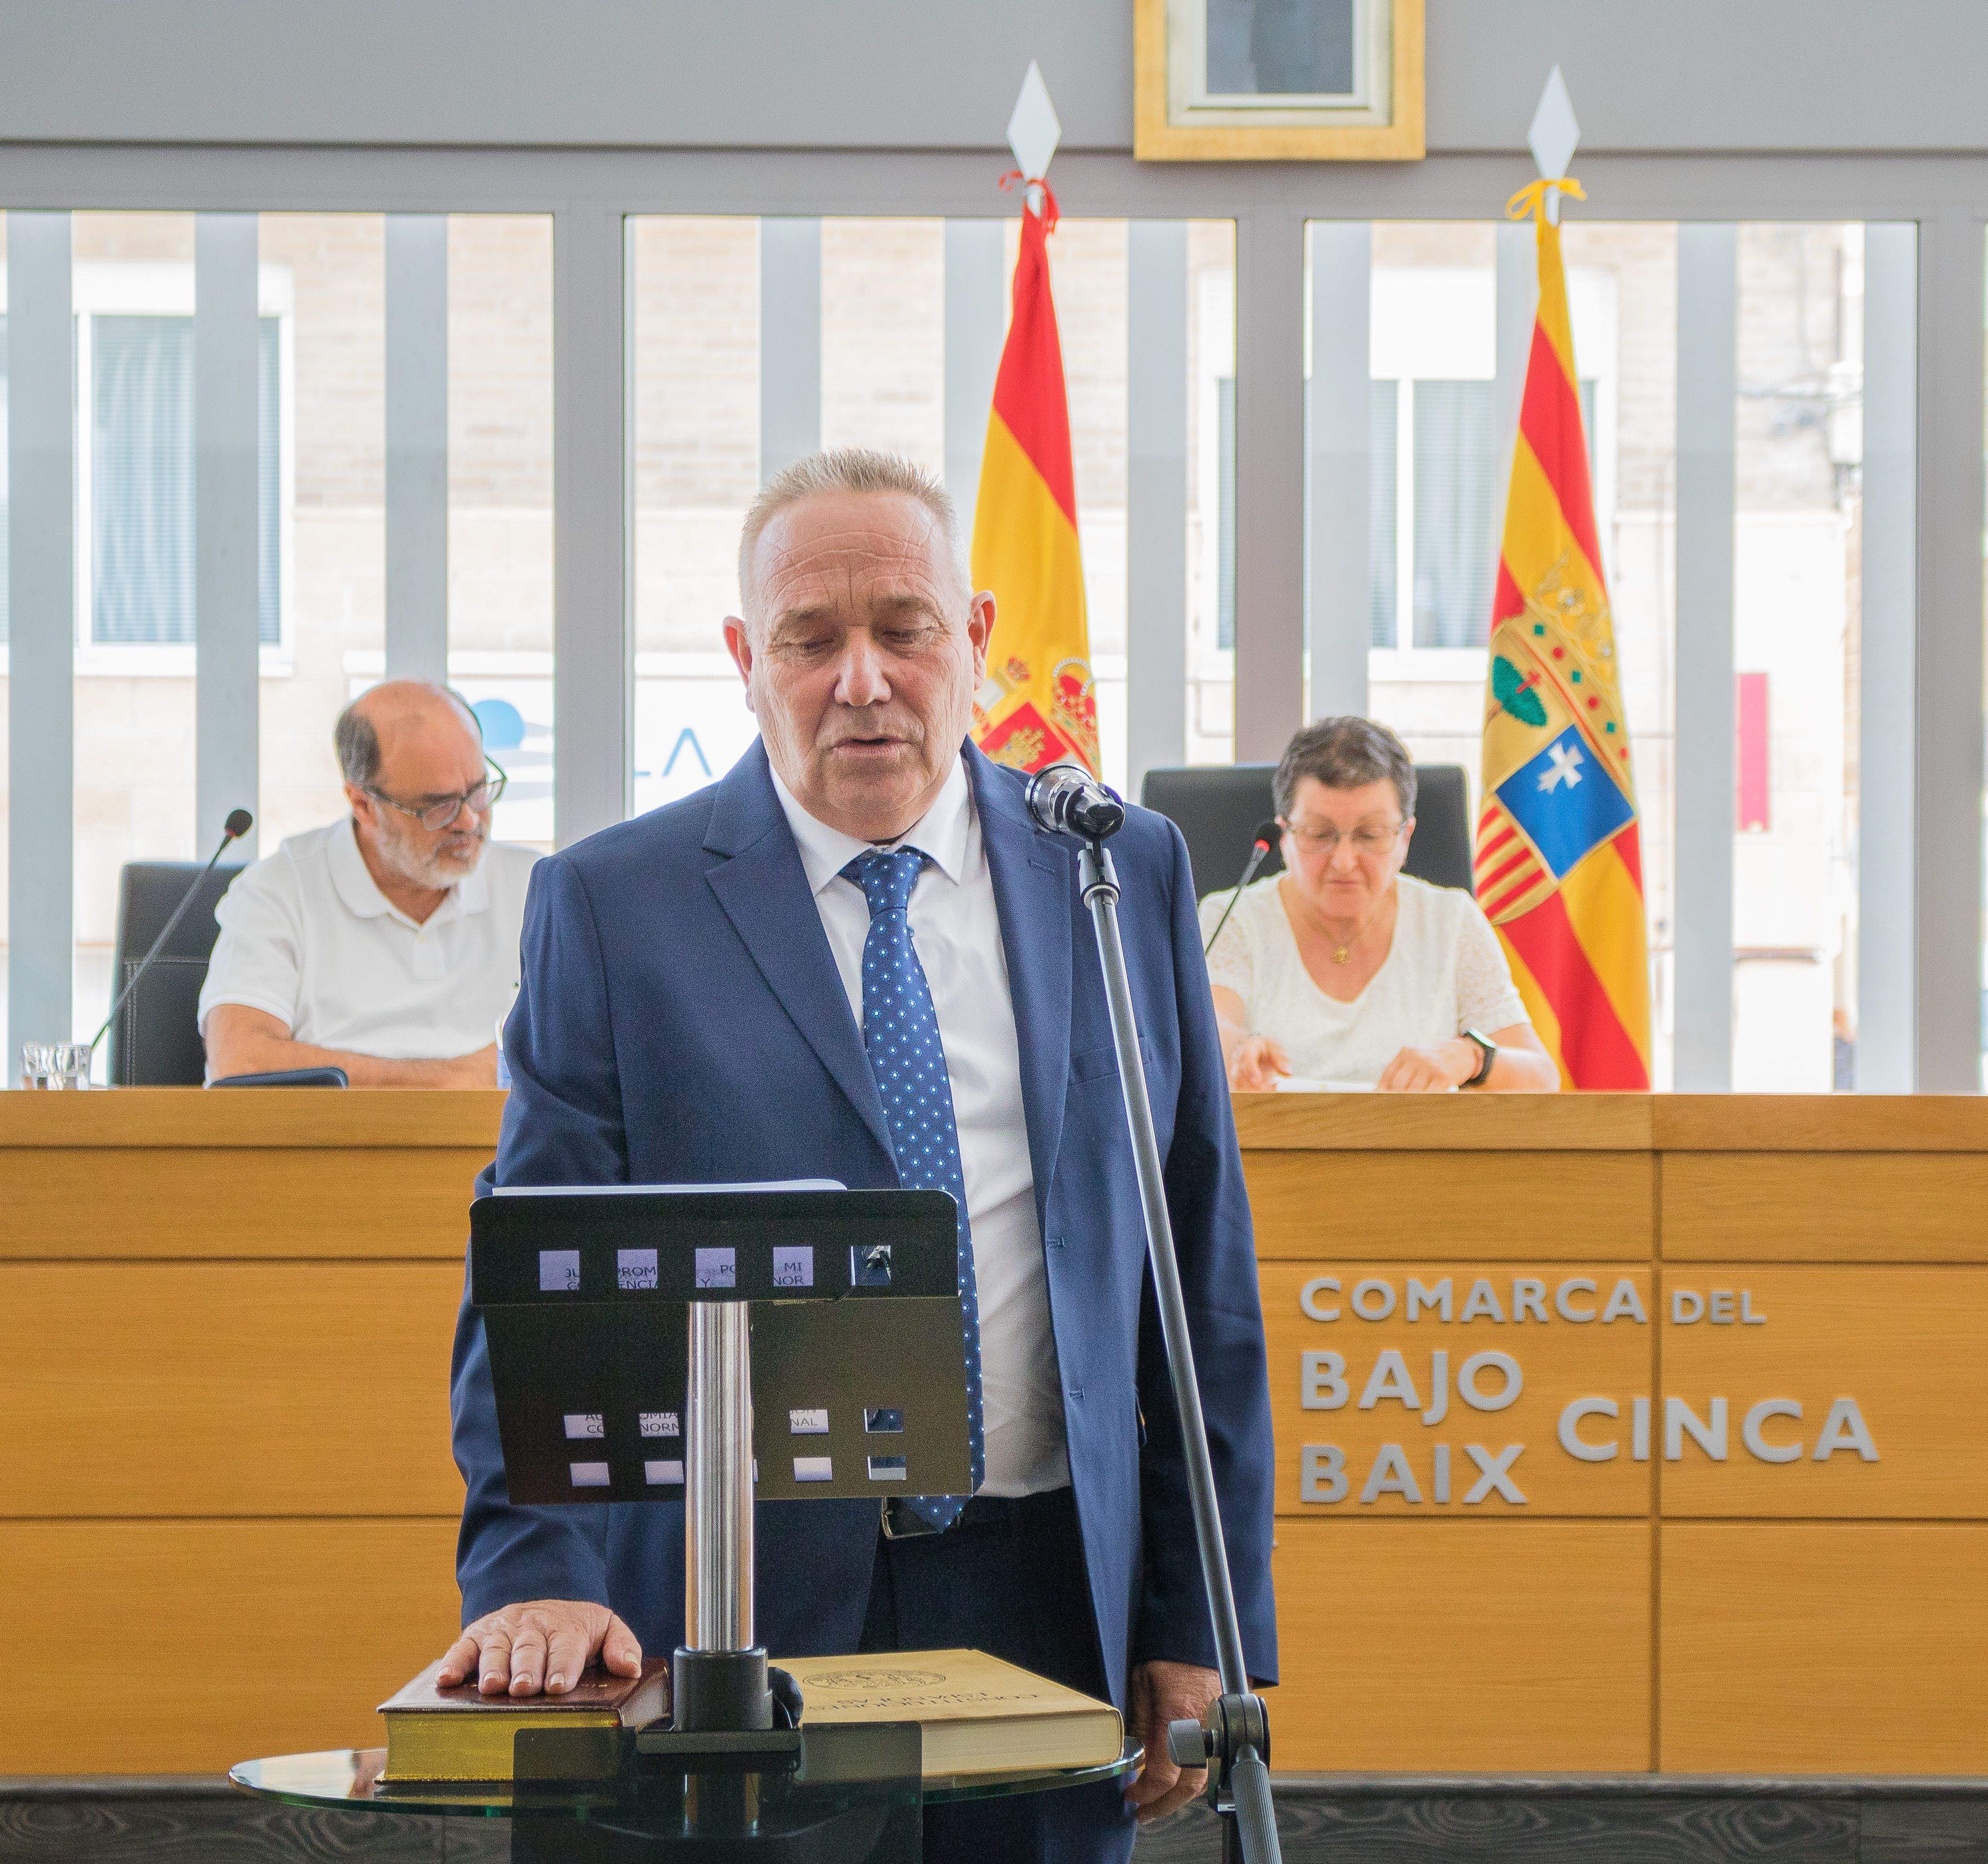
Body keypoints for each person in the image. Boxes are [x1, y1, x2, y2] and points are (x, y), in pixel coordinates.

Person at [440, 449, 1275, 1864]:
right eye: (810, 639)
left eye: (904, 628)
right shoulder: (613, 904)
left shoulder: (1113, 870)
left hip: (1051, 1597)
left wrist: (1202, 1620)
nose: (863, 680)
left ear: (977, 638)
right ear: (743, 661)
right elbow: (534, 1278)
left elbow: (1200, 1273)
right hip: (728, 1612)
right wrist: (536, 1569)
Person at [199, 680, 532, 1086]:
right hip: (334, 1129)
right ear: (363, 805)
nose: (469, 821)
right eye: (438, 806)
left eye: (478, 792)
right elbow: (240, 1061)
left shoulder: (539, 886)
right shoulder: (278, 889)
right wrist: (450, 1081)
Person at [1200, 716, 1557, 1093]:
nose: (1344, 861)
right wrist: (1238, 1049)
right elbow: (1211, 1026)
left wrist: (1472, 1057)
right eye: (1319, 834)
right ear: (1284, 835)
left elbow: (1541, 1077)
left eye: (1370, 835)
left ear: (1406, 837)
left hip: (1420, 1134)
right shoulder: (1233, 917)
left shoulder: (1451, 921)